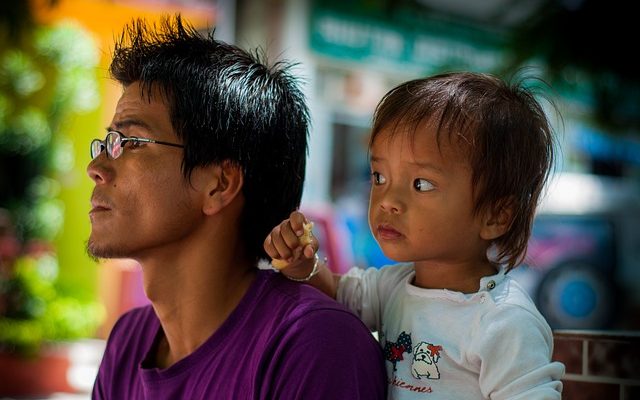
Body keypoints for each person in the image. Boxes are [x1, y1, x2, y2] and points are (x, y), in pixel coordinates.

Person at [87, 15, 387, 399]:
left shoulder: (313, 344)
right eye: (108, 142)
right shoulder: (128, 340)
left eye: (132, 142)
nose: (95, 169)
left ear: (220, 184)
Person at [265, 72, 566, 399]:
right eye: (379, 176)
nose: (388, 201)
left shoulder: (503, 321)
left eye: (421, 184)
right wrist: (300, 262)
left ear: (495, 215)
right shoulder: (393, 287)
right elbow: (335, 292)